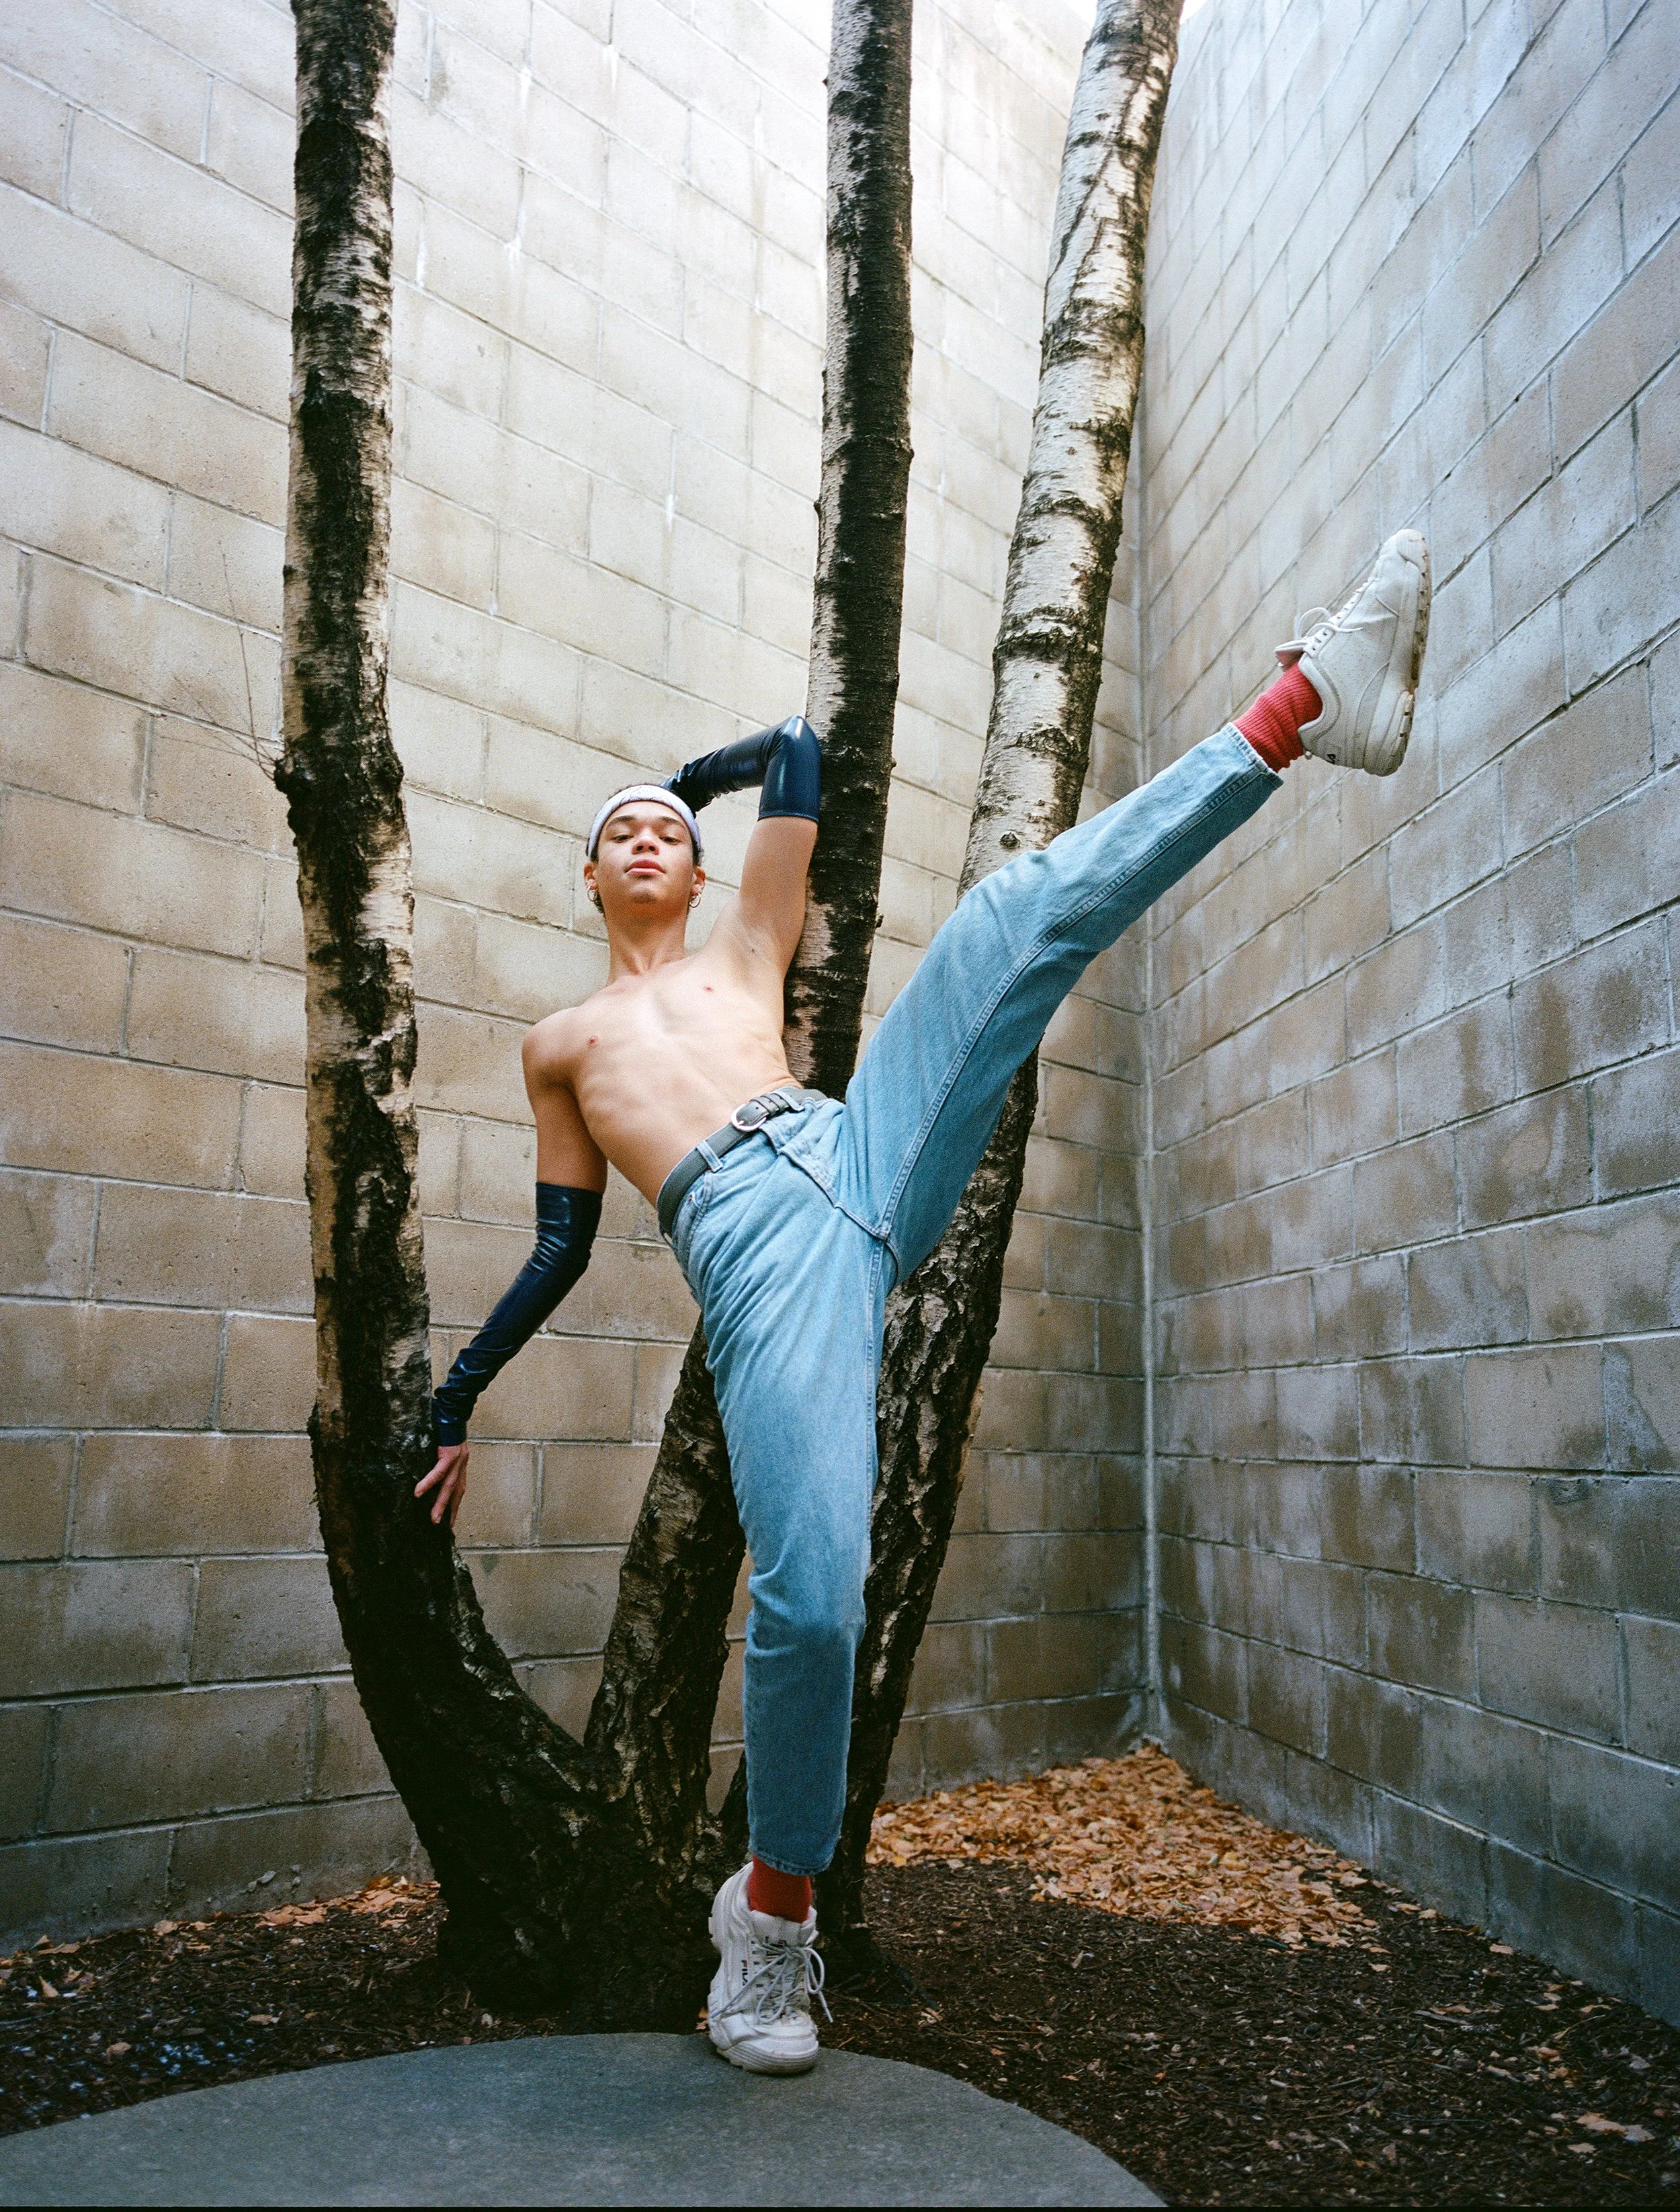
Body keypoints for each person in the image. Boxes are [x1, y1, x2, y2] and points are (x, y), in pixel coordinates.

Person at [416, 528, 1433, 2074]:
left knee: (1011, 916)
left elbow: (803, 753)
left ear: (694, 863)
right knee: (811, 1602)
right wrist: (452, 1397)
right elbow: (558, 1243)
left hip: (853, 1145)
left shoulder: (748, 942)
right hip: (754, 1254)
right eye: (615, 831)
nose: (642, 840)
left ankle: (1300, 705)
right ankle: (765, 1933)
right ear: (583, 873)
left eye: (661, 830)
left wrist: (692, 776)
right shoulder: (560, 1040)